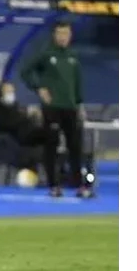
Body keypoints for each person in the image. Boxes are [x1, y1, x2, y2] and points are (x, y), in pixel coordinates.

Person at [20, 21, 93, 198]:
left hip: (71, 108)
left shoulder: (73, 56)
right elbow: (25, 71)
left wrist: (79, 104)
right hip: (52, 108)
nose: (63, 37)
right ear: (54, 34)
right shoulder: (46, 54)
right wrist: (39, 88)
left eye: (65, 33)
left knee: (75, 147)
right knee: (51, 147)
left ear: (70, 35)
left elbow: (77, 82)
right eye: (60, 33)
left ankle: (79, 186)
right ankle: (54, 186)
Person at [0, 81, 59, 184]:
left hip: (25, 134)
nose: (11, 94)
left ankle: (52, 177)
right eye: (7, 91)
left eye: (12, 91)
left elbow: (24, 121)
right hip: (11, 136)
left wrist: (30, 115)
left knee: (51, 133)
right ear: (0, 92)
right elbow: (3, 123)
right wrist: (23, 117)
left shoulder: (16, 107)